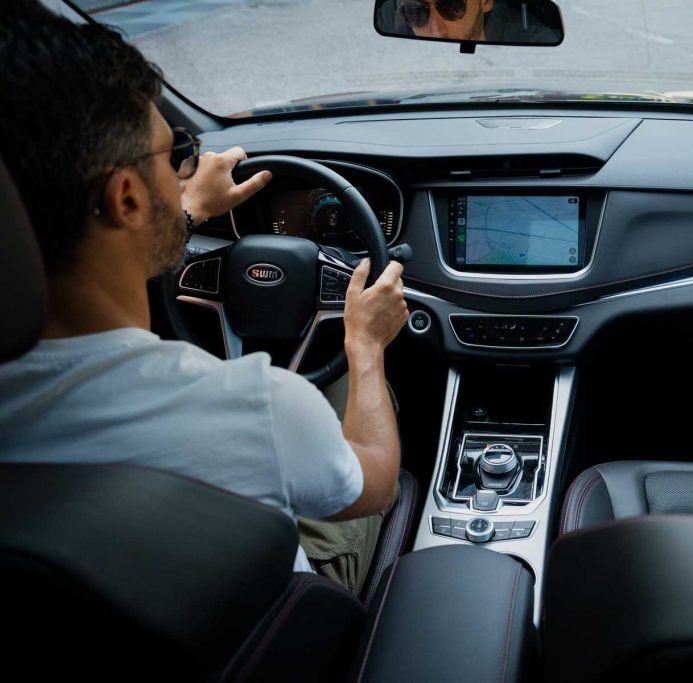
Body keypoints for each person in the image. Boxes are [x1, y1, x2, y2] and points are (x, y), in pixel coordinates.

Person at [0, 4, 408, 594]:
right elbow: (378, 483)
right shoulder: (255, 408)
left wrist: (186, 211)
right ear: (127, 199)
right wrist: (366, 345)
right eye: (174, 156)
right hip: (280, 629)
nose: (184, 173)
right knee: (353, 389)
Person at [383, 0, 559, 44]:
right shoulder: (392, 30)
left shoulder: (532, 40)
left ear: (486, 1)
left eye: (452, 6)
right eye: (416, 10)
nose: (436, 31)